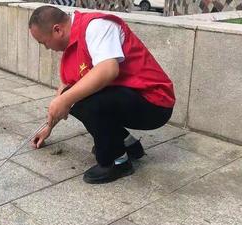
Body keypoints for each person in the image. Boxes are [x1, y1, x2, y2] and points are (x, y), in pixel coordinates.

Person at [28, 6, 175, 184]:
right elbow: (65, 91)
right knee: (74, 97)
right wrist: (48, 126)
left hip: (154, 102)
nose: (46, 48)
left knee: (85, 101)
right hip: (128, 97)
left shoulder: (96, 27)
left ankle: (117, 162)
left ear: (57, 30)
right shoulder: (72, 46)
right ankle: (129, 144)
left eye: (44, 42)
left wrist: (66, 99)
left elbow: (108, 70)